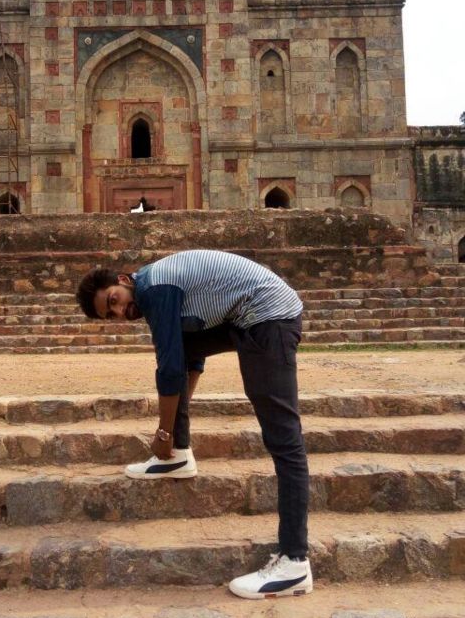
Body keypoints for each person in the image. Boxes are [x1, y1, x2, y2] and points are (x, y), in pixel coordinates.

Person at [76, 249, 312, 599]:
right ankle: (178, 456)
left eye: (114, 300)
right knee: (180, 348)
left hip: (268, 316)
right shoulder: (153, 287)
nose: (120, 312)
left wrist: (163, 432)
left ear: (124, 281)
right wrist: (174, 427)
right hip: (243, 316)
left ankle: (294, 562)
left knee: (284, 440)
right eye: (111, 314)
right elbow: (187, 354)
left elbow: (171, 370)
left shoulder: (154, 289)